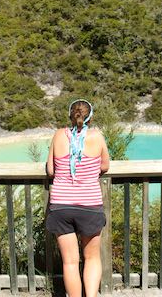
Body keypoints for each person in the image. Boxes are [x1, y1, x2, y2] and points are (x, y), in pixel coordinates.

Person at [46, 99, 110, 297]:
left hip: (61, 206)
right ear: (90, 117)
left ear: (70, 115)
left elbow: (50, 170)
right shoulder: (97, 137)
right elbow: (105, 166)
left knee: (70, 262)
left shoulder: (58, 136)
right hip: (89, 205)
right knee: (91, 258)